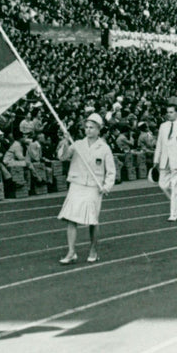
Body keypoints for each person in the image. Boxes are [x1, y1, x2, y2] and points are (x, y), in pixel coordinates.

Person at [56, 113, 115, 264]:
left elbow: (111, 171)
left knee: (92, 221)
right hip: (77, 185)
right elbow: (62, 157)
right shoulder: (77, 144)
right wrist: (64, 140)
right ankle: (71, 252)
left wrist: (106, 186)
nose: (88, 130)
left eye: (92, 128)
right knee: (71, 219)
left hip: (94, 188)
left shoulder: (104, 148)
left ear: (98, 130)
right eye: (87, 127)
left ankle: (94, 250)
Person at [153, 104, 177, 222]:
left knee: (175, 186)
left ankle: (173, 214)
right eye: (167, 112)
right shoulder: (163, 126)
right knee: (162, 185)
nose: (168, 114)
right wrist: (156, 159)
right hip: (165, 160)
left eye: (171, 112)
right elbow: (159, 144)